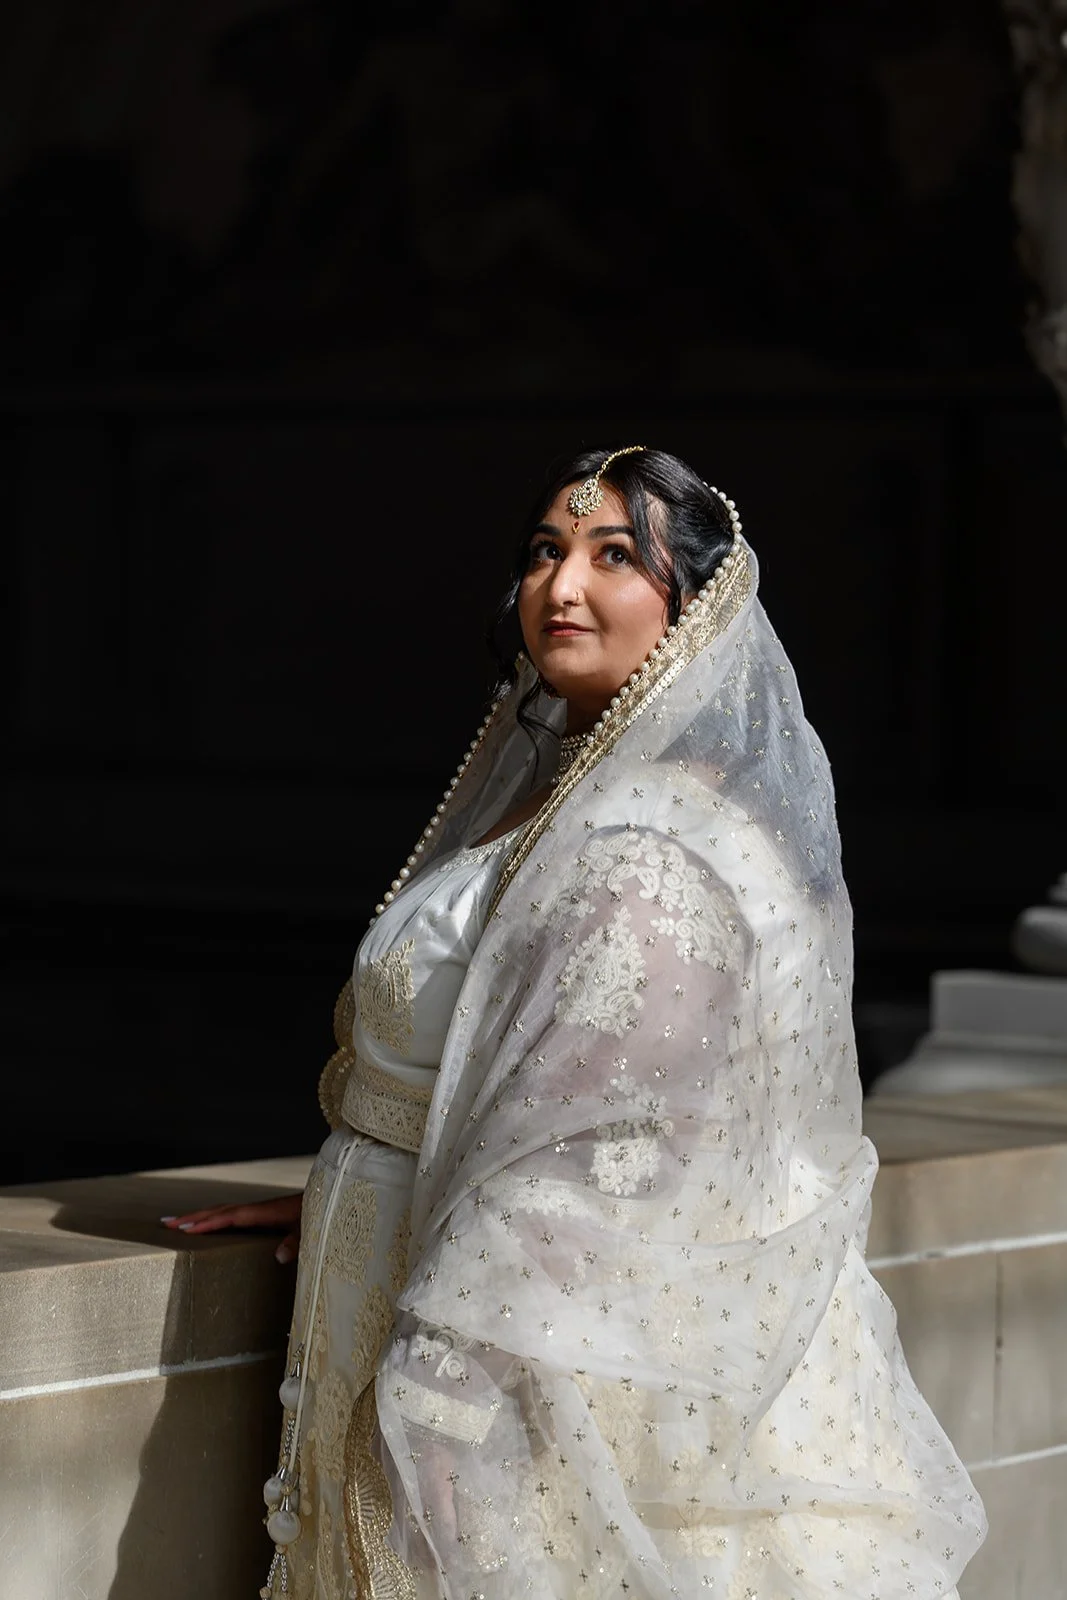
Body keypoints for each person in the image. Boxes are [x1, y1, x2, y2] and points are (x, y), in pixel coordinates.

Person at [165, 445, 987, 1599]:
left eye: (612, 556)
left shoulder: (648, 845)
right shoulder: (561, 794)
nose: (561, 586)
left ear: (693, 602)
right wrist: (363, 1171)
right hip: (410, 1258)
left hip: (513, 1353)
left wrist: (448, 1392)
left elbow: (597, 1153)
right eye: (546, 550)